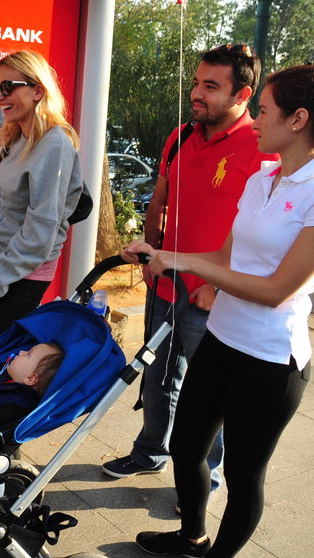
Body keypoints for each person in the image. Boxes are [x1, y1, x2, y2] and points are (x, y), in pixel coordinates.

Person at [129, 63, 314, 558]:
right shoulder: (262, 178)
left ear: (298, 119)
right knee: (187, 446)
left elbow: (276, 290)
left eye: (264, 111)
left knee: (243, 474)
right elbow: (225, 258)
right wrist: (161, 254)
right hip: (222, 337)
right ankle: (192, 537)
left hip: (271, 358)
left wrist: (184, 262)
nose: (255, 120)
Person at [102, 45, 279, 493]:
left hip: (215, 299)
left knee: (210, 395)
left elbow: (264, 236)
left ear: (243, 94)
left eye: (211, 86)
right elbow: (159, 202)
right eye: (197, 83)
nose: (196, 93)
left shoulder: (262, 148)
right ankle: (151, 452)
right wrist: (151, 254)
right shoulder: (180, 135)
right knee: (157, 377)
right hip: (166, 285)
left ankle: (207, 476)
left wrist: (219, 289)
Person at [0, 50, 85, 349]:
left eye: (8, 87)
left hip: (18, 274)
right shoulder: (18, 133)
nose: (0, 96)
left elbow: (39, 235)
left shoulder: (53, 143)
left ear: (37, 91)